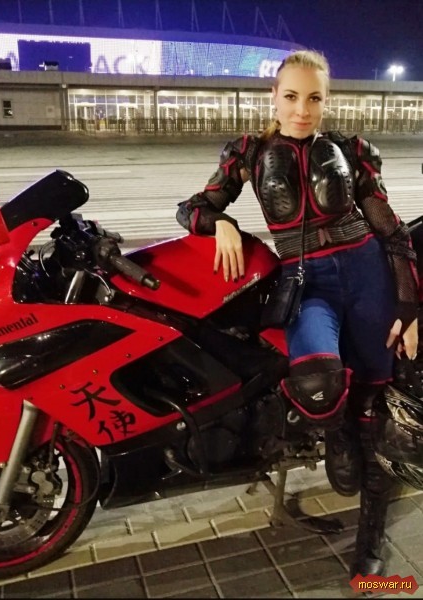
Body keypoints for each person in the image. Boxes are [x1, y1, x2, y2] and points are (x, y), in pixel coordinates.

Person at [175, 49, 419, 578]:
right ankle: (337, 432)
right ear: (274, 97)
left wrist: (408, 306)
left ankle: (370, 543)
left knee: (377, 412)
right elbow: (192, 207)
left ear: (326, 101)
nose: (302, 110)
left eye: (314, 99)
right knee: (317, 381)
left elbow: (393, 232)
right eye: (291, 96)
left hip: (368, 276)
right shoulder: (249, 153)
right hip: (308, 283)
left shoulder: (351, 151)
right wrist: (221, 224)